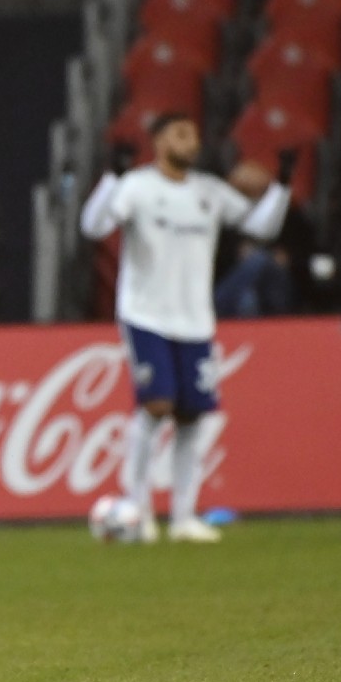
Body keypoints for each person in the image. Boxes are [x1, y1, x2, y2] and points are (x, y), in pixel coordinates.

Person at [80, 113, 292, 544]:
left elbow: (260, 226)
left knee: (192, 416)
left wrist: (282, 185)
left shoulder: (208, 192)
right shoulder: (137, 186)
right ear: (157, 141)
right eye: (180, 133)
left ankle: (182, 517)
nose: (190, 141)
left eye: (193, 133)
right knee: (156, 405)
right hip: (145, 315)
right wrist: (110, 179)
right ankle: (137, 509)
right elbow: (94, 225)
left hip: (195, 319)